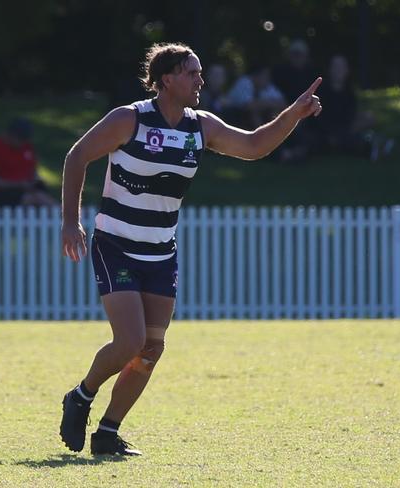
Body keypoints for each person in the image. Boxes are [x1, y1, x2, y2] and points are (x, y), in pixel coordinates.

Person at [59, 42, 322, 456]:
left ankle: (108, 432)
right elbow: (77, 157)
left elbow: (255, 146)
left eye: (200, 73)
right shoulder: (129, 119)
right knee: (128, 341)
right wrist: (70, 222)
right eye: (192, 73)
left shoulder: (201, 126)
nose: (201, 79)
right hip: (117, 246)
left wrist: (294, 114)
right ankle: (81, 396)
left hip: (161, 252)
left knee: (151, 348)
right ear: (167, 80)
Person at [317, 55, 394, 161]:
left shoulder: (349, 92)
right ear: (330, 69)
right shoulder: (322, 91)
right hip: (328, 129)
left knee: (370, 118)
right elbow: (321, 118)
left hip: (345, 125)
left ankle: (371, 143)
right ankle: (370, 146)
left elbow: (350, 114)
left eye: (342, 67)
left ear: (347, 70)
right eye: (336, 67)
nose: (339, 70)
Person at [0, 118, 58, 206]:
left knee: (40, 196)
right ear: (10, 134)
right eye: (20, 138)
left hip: (26, 190)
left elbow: (33, 171)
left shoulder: (27, 147)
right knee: (31, 199)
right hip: (1, 193)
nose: (22, 142)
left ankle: (65, 215)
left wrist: (33, 182)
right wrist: (16, 185)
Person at [272, 39, 319, 163]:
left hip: (306, 114)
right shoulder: (280, 73)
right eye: (295, 54)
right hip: (283, 111)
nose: (297, 58)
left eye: (300, 55)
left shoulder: (311, 73)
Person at [224, 65, 287, 129]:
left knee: (274, 112)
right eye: (265, 76)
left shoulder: (267, 86)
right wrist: (269, 103)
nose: (268, 78)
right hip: (233, 115)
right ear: (257, 75)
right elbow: (248, 106)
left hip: (252, 116)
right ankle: (261, 136)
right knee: (254, 113)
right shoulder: (244, 82)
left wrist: (266, 104)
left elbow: (283, 104)